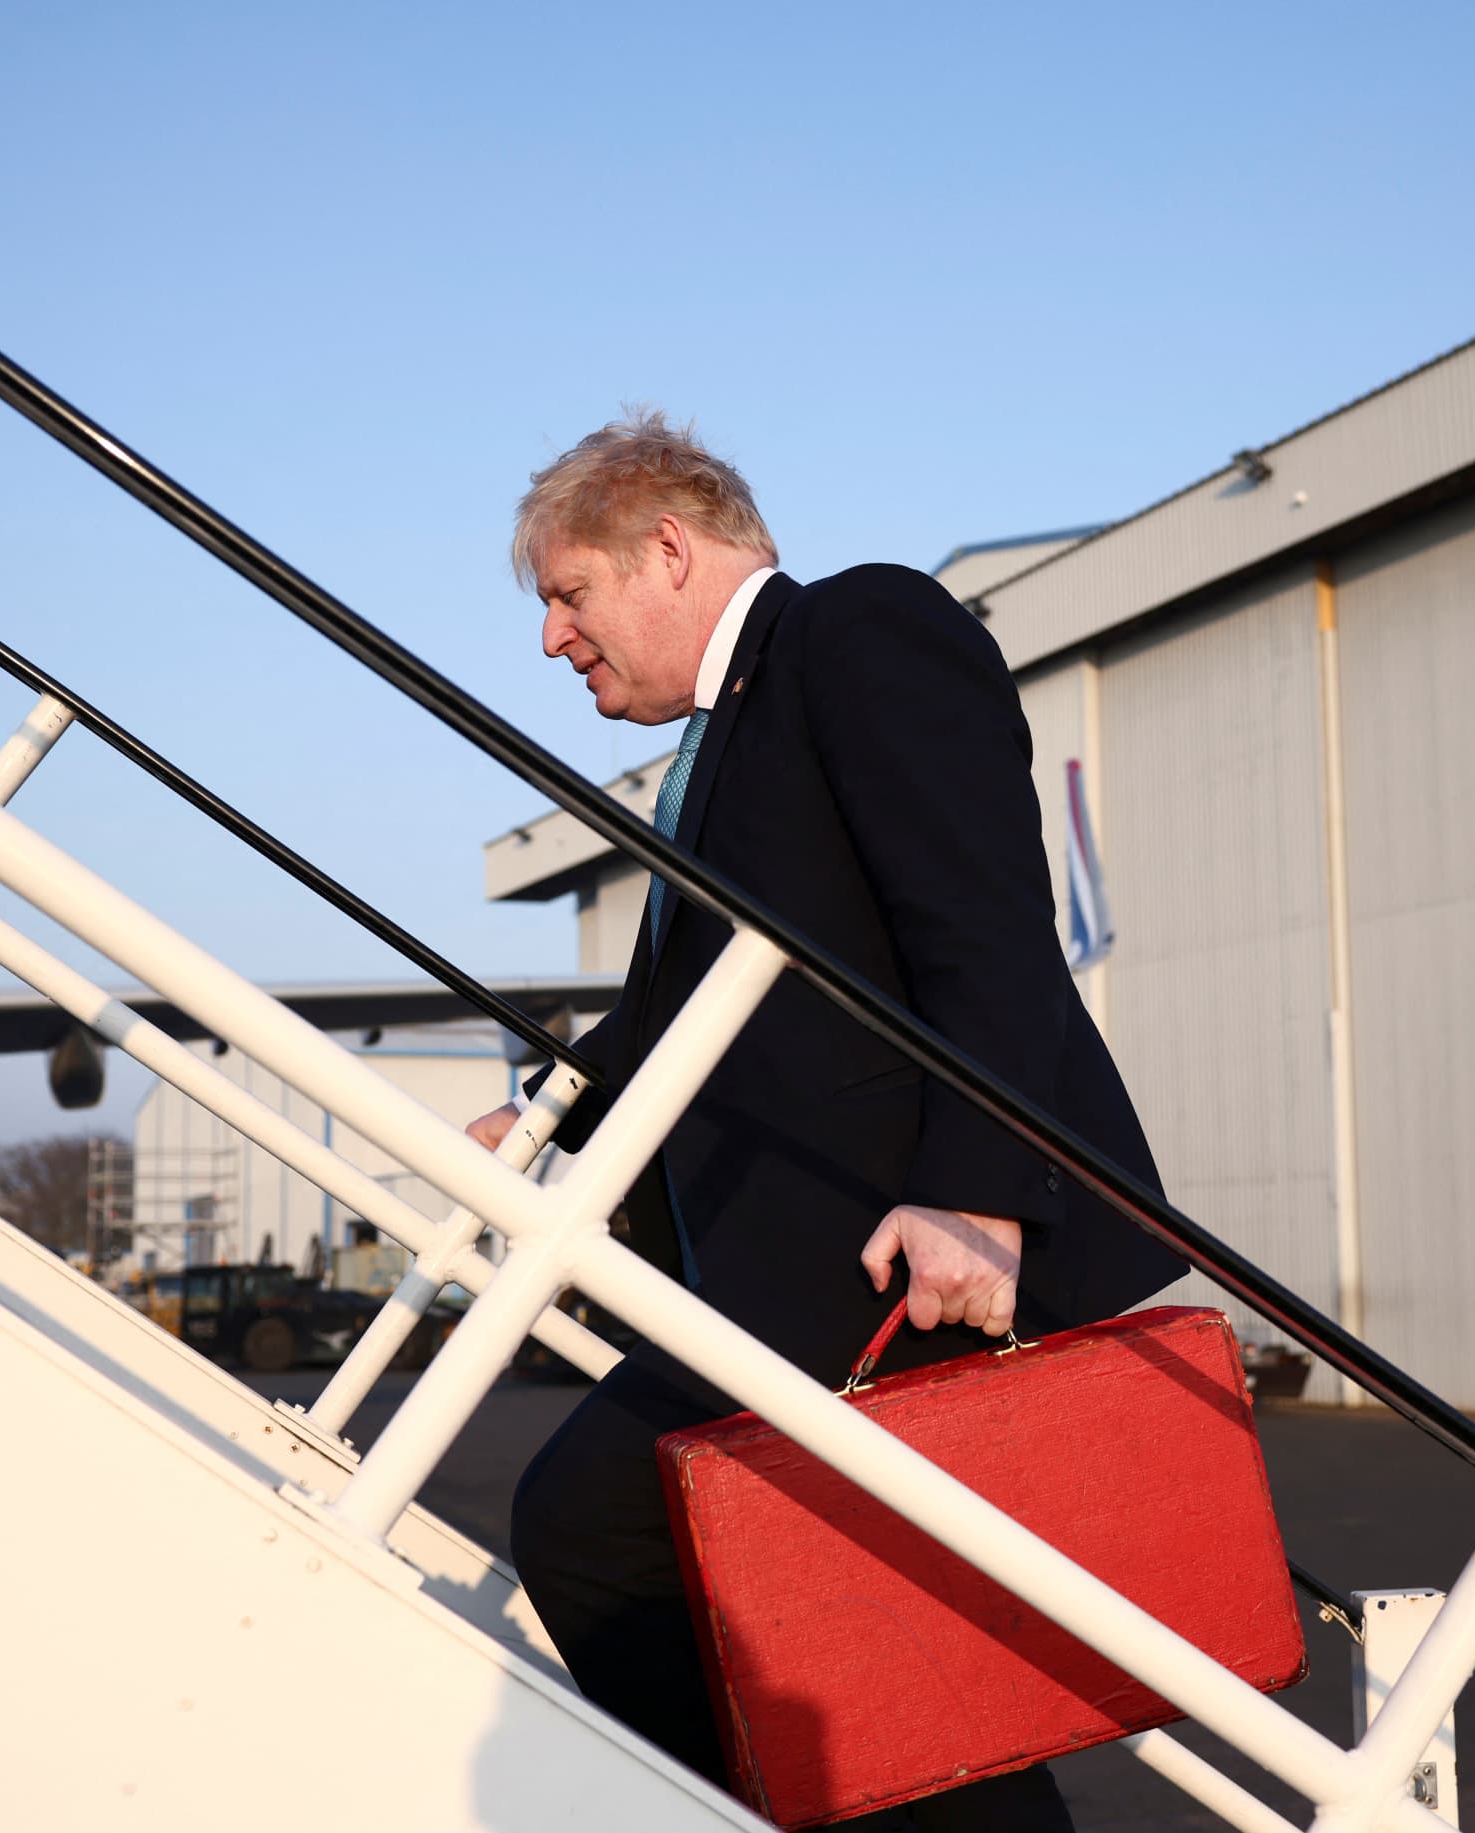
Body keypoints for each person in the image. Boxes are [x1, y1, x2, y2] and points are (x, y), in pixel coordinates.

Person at [469, 411, 1184, 1831]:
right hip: (807, 1267)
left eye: (568, 595)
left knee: (601, 1525)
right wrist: (545, 1108)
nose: (554, 640)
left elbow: (980, 920)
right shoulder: (731, 731)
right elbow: (709, 994)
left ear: (665, 547)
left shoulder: (859, 631)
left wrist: (979, 1194)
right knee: (884, 1658)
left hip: (893, 1252)